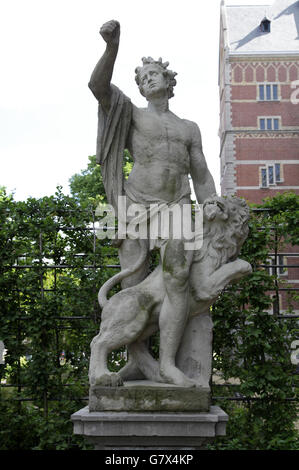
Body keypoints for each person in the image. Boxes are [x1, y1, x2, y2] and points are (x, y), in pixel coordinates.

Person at [89, 20, 216, 386]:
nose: (147, 80)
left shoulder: (189, 128)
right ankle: (138, 360)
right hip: (133, 206)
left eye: (153, 74)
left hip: (177, 207)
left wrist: (211, 206)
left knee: (177, 282)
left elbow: (202, 175)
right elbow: (97, 87)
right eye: (142, 77)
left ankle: (168, 364)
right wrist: (112, 47)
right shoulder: (132, 114)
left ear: (168, 80)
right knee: (134, 284)